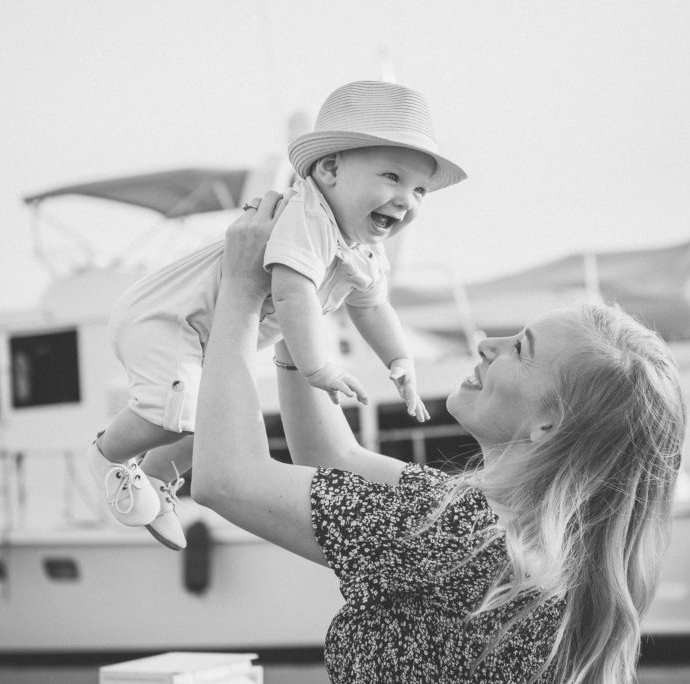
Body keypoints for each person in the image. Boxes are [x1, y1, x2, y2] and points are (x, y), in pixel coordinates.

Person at [189, 192, 687, 684]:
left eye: (520, 349)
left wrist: (241, 290)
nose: (487, 344)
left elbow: (227, 479)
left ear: (549, 425)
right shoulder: (530, 545)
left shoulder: (460, 533)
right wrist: (297, 307)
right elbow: (332, 456)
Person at [86, 81, 467, 550]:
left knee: (209, 417)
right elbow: (292, 294)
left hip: (206, 336)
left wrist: (399, 359)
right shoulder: (307, 218)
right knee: (169, 417)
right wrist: (318, 367)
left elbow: (372, 305)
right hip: (166, 320)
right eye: (392, 177)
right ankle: (108, 454)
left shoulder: (362, 249)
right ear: (329, 169)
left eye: (420, 189)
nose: (406, 199)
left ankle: (158, 474)